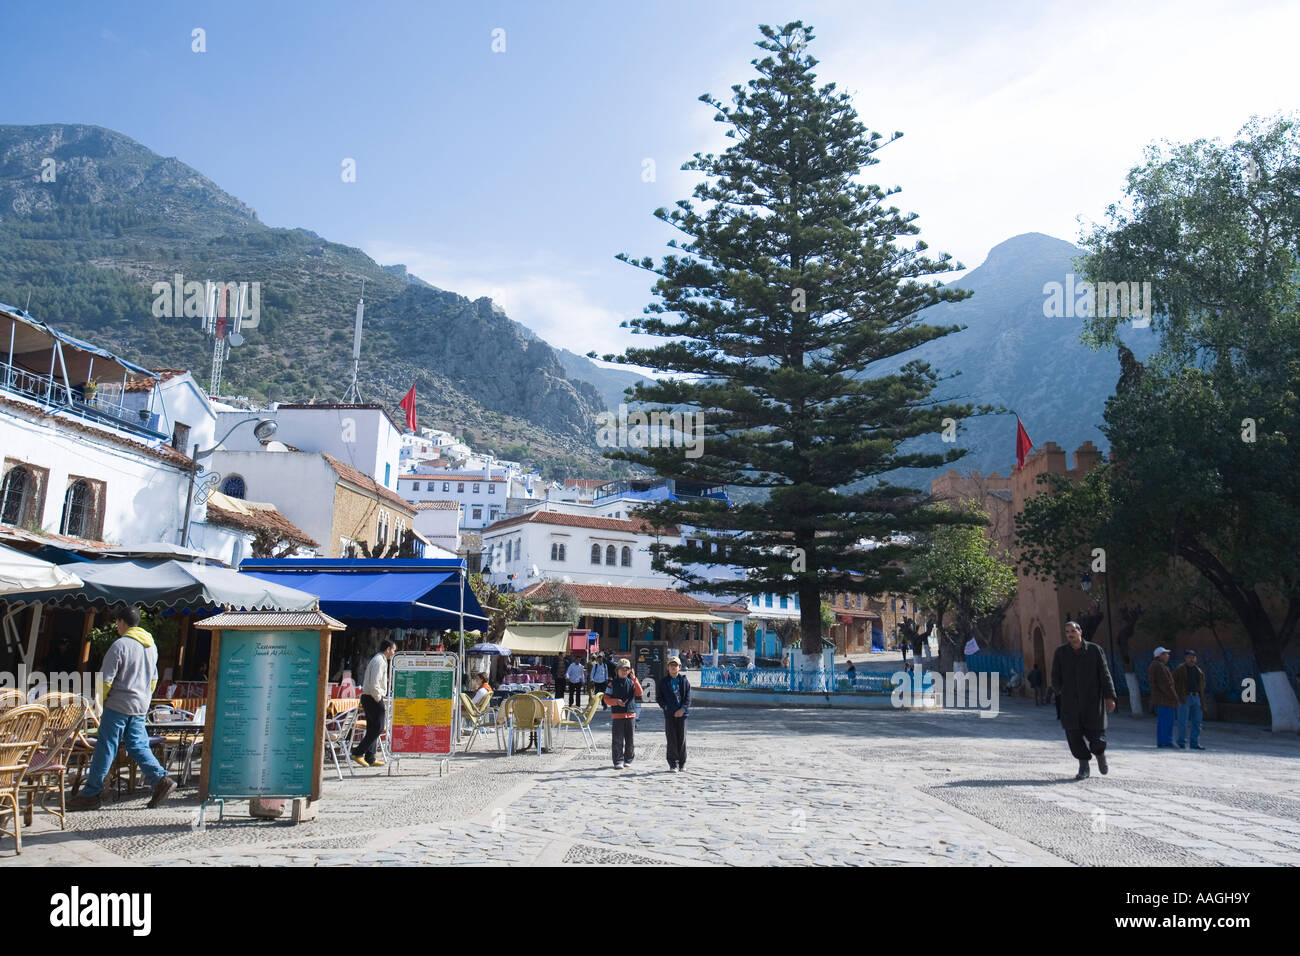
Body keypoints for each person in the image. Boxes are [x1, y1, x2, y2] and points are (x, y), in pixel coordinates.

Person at [69, 606, 174, 811]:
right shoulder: (150, 646)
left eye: (117, 622)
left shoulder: (121, 645)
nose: (116, 625)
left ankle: (91, 793)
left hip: (118, 703)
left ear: (123, 623)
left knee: (106, 746)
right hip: (140, 705)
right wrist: (144, 698)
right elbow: (153, 679)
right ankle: (161, 779)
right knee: (137, 744)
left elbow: (105, 680)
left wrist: (100, 701)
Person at [1051, 620, 1117, 779]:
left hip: (1092, 702)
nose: (1070, 634)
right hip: (1070, 703)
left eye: (1072, 631)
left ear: (1080, 631)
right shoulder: (1061, 652)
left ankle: (1100, 754)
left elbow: (1105, 674)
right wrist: (1060, 691)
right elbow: (1055, 676)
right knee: (1073, 735)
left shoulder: (1095, 650)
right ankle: (1083, 766)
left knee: (1097, 737)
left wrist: (1110, 697)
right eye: (1067, 632)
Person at [352, 639, 396, 768]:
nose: (393, 653)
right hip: (372, 697)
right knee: (378, 727)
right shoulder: (379, 661)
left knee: (372, 727)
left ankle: (370, 757)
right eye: (393, 650)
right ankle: (358, 752)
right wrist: (378, 698)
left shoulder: (380, 660)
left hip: (370, 696)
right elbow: (374, 682)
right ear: (388, 649)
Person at [604, 658, 643, 770]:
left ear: (630, 671)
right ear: (617, 670)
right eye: (622, 669)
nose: (624, 671)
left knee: (630, 740)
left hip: (630, 715)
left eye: (626, 669)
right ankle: (618, 760)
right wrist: (616, 701)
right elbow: (606, 699)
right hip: (617, 716)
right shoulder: (612, 684)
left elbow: (639, 693)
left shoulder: (632, 682)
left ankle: (628, 759)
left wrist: (635, 679)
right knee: (617, 740)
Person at [658, 656, 691, 771]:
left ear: (679, 667)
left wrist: (682, 710)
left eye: (675, 665)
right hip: (669, 715)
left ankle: (682, 763)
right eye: (671, 665)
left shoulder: (684, 681)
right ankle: (673, 763)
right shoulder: (663, 682)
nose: (673, 667)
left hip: (682, 715)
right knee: (671, 739)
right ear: (668, 667)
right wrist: (667, 708)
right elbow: (659, 698)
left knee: (681, 739)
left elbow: (688, 698)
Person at [1173, 649, 1206, 750]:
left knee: (1197, 722)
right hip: (1184, 697)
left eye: (1193, 657)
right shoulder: (1180, 669)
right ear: (1185, 658)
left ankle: (1194, 743)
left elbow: (1202, 685)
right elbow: (1173, 682)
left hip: (1197, 698)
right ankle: (1181, 743)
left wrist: (1201, 699)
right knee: (1182, 722)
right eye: (1189, 657)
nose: (1192, 659)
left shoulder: (1199, 670)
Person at [1148, 646, 1178, 749]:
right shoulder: (1160, 666)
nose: (1168, 656)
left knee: (1162, 722)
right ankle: (1167, 741)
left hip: (1160, 699)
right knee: (1167, 721)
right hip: (1165, 699)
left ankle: (1161, 741)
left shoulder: (1154, 665)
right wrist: (1174, 697)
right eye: (1165, 654)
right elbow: (1166, 684)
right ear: (1160, 655)